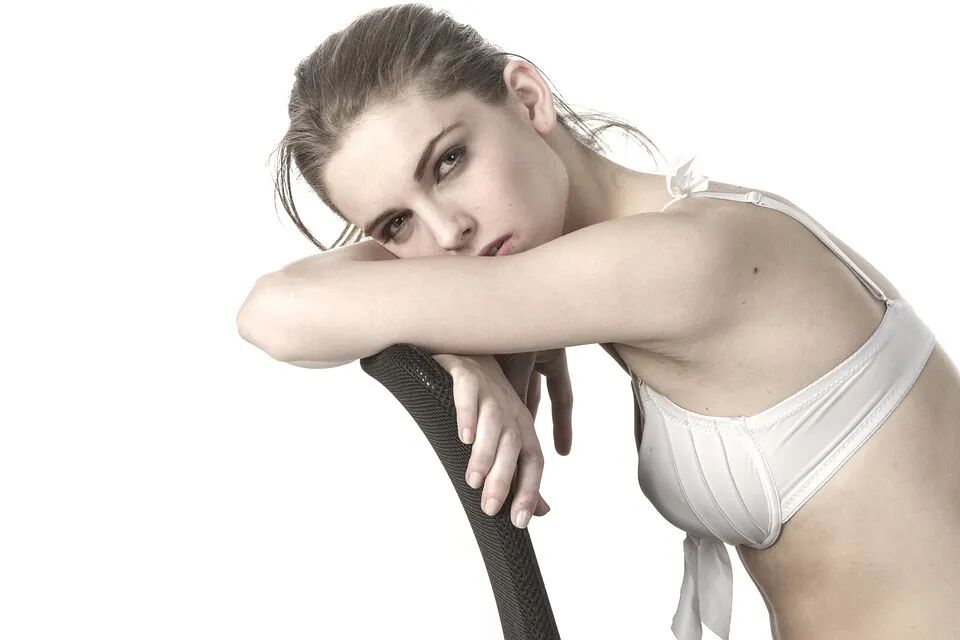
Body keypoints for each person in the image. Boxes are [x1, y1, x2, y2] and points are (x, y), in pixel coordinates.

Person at [237, 4, 960, 639]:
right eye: (397, 224)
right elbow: (304, 300)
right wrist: (465, 344)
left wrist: (464, 320)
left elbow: (274, 312)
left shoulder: (683, 256)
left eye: (450, 161)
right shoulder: (650, 236)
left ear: (527, 100)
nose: (448, 232)